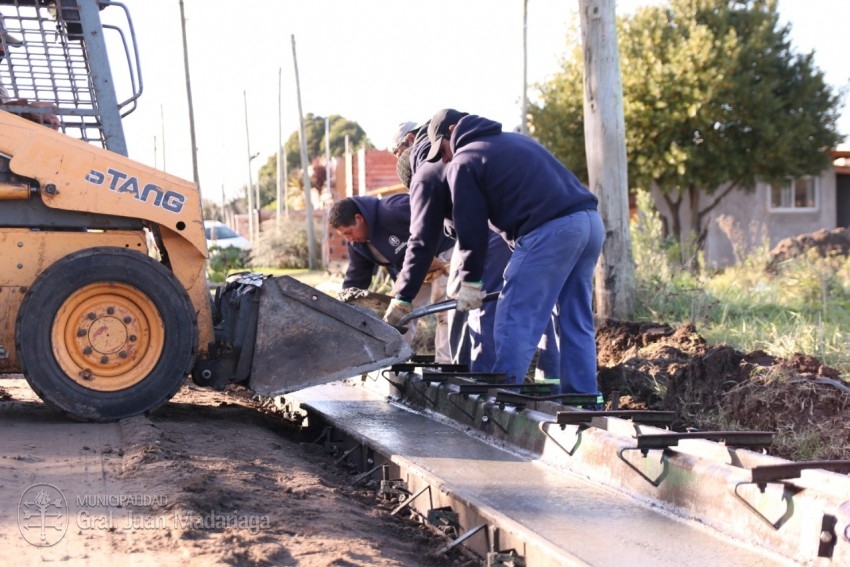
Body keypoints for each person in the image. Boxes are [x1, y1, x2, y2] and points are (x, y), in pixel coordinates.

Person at [424, 108, 604, 396]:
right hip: (590, 223)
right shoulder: (515, 141)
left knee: (514, 314)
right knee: (574, 316)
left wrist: (471, 281)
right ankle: (582, 399)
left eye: (441, 149)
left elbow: (470, 229)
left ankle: (500, 399)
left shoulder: (464, 160)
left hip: (550, 231)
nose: (443, 158)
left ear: (453, 130)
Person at [329, 194, 454, 360]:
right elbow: (357, 277)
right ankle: (392, 361)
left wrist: (432, 251)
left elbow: (433, 212)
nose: (349, 239)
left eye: (349, 232)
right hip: (415, 266)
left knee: (445, 310)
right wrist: (342, 310)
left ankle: (446, 366)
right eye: (344, 236)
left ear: (359, 219)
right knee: (397, 312)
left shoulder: (393, 210)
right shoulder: (357, 244)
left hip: (445, 252)